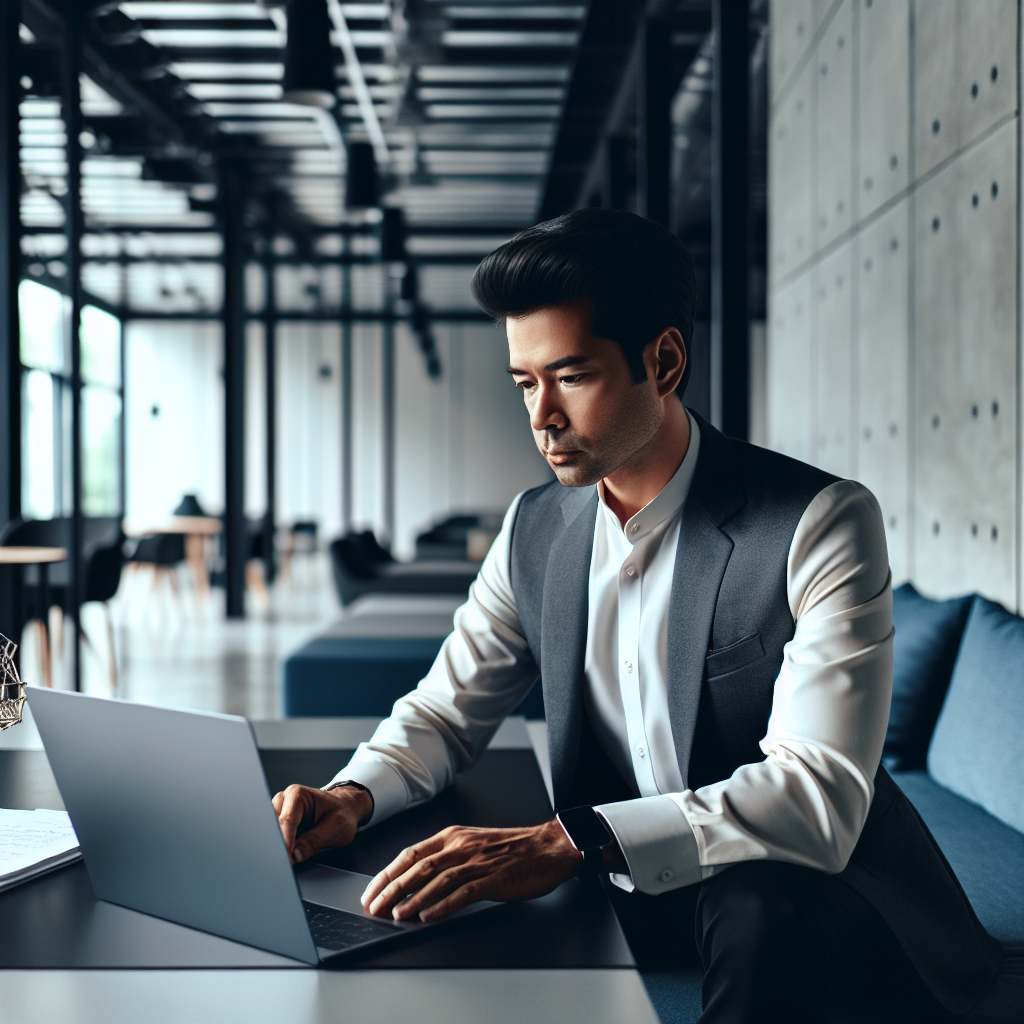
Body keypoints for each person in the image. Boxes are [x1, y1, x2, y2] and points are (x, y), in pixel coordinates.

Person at [273, 210, 1005, 1022]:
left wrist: (566, 840)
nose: (541, 415)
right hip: (630, 884)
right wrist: (352, 795)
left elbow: (818, 793)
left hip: (814, 887)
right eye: (525, 382)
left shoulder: (817, 521)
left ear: (662, 361)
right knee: (419, 901)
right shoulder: (535, 529)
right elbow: (448, 711)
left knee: (757, 904)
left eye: (572, 375)